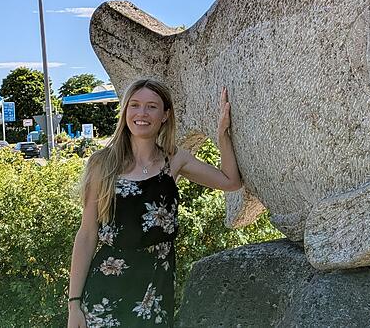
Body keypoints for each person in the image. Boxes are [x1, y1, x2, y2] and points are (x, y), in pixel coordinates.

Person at [66, 78, 242, 328]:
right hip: (106, 290)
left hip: (155, 289)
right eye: (135, 105)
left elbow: (230, 182)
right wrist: (74, 304)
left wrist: (222, 134)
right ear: (125, 110)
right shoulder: (102, 163)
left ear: (165, 115)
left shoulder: (175, 159)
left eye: (151, 106)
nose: (142, 113)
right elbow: (86, 235)